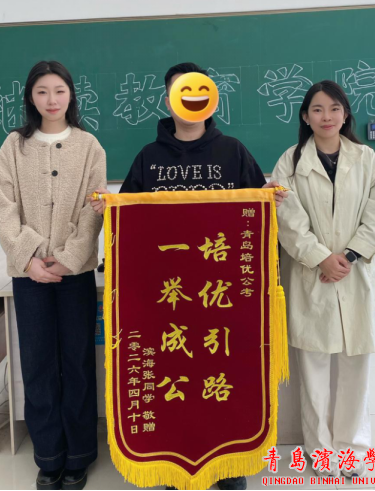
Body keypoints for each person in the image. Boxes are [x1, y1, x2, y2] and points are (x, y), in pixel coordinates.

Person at [92, 62, 287, 491]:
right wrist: (110, 210)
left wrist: (269, 201)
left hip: (223, 298)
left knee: (226, 377)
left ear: (211, 100)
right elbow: (130, 226)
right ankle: (175, 469)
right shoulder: (149, 158)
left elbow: (257, 216)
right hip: (169, 300)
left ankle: (230, 469)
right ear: (167, 100)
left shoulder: (233, 152)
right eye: (180, 92)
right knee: (174, 381)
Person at [0, 61, 107, 491]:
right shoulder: (13, 146)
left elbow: (94, 208)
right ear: (31, 97)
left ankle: (78, 455)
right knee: (38, 363)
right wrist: (29, 258)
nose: (52, 99)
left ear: (71, 95)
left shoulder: (89, 146)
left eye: (59, 90)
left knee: (77, 361)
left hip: (74, 275)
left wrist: (69, 257)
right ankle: (49, 456)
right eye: (42, 91)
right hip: (29, 275)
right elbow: (4, 207)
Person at [271, 80, 375, 478]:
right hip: (312, 276)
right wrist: (321, 258)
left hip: (355, 275)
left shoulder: (366, 158)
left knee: (355, 367)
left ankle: (351, 448)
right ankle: (321, 450)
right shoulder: (290, 163)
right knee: (314, 369)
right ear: (305, 117)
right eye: (318, 109)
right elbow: (287, 221)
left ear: (345, 115)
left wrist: (350, 255)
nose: (327, 116)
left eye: (334, 108)